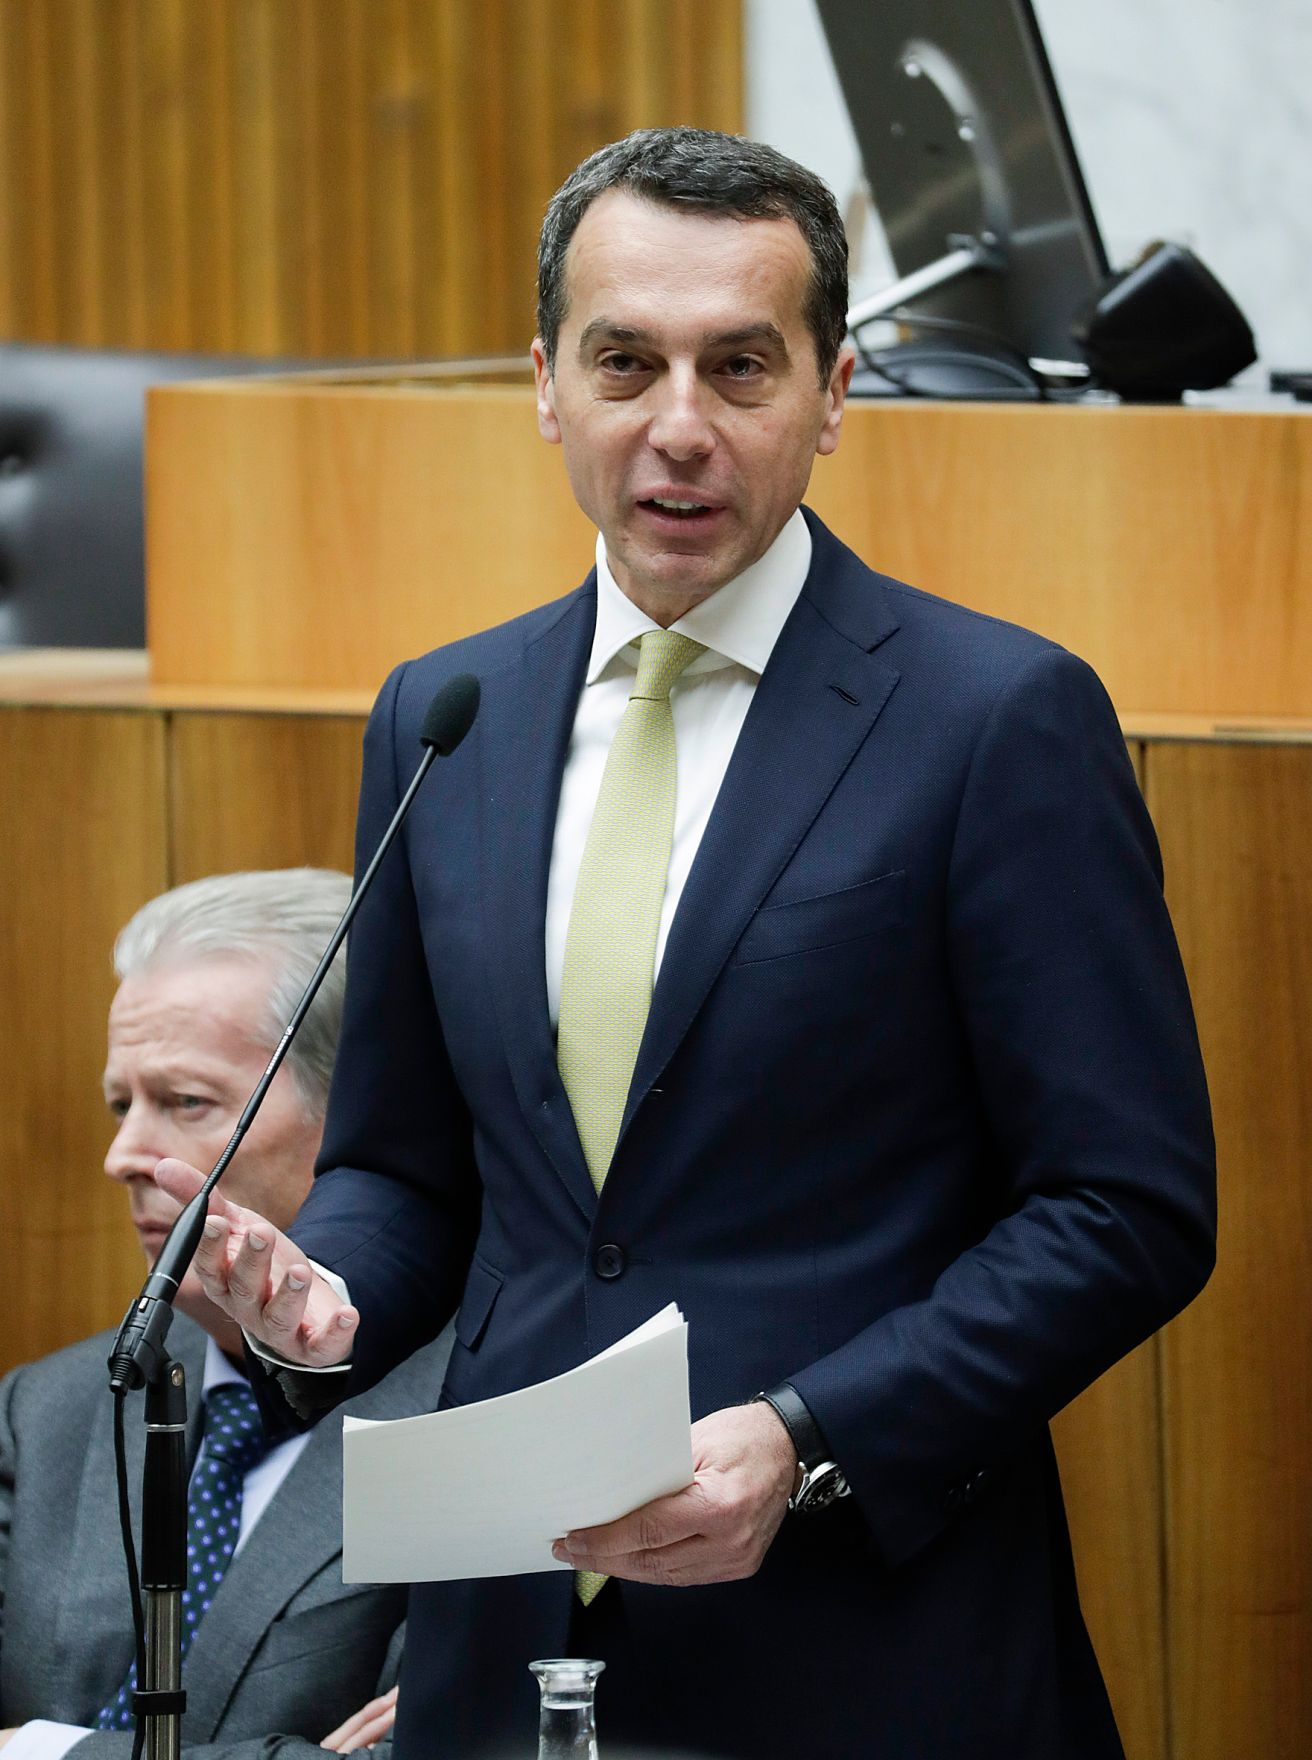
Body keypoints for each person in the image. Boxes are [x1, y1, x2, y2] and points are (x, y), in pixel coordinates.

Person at [159, 130, 1216, 1759]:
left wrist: (807, 1441)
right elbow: (409, 1170)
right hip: (503, 1637)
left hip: (867, 1636)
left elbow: (1125, 1209)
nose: (677, 426)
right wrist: (329, 1299)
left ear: (832, 393)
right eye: (624, 362)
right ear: (544, 386)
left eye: (739, 368)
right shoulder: (449, 716)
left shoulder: (993, 720)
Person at [0, 870, 451, 1760]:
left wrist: (35, 1752)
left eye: (185, 1102)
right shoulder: (44, 1412)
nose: (124, 1154)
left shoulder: (479, 1412)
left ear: (358, 1117)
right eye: (121, 1104)